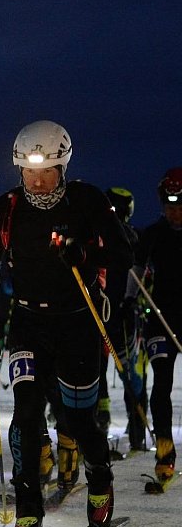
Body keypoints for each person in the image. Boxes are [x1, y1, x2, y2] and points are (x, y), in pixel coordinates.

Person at [0, 120, 132, 527]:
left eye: (47, 172)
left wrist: (84, 252)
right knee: (25, 416)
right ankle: (28, 512)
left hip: (78, 321)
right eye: (29, 172)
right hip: (28, 323)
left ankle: (99, 479)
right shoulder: (4, 209)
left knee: (78, 419)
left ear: (63, 167)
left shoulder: (86, 200)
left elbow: (124, 253)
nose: (38, 182)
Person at [130, 169, 182, 485]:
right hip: (161, 318)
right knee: (161, 381)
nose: (174, 212)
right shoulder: (153, 234)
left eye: (179, 205)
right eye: (169, 205)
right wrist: (127, 299)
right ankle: (164, 450)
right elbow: (134, 269)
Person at [98, 186, 147, 450]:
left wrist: (132, 300)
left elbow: (140, 271)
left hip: (123, 312)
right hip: (102, 310)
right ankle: (101, 417)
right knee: (96, 367)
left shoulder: (132, 237)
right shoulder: (100, 234)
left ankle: (137, 424)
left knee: (130, 371)